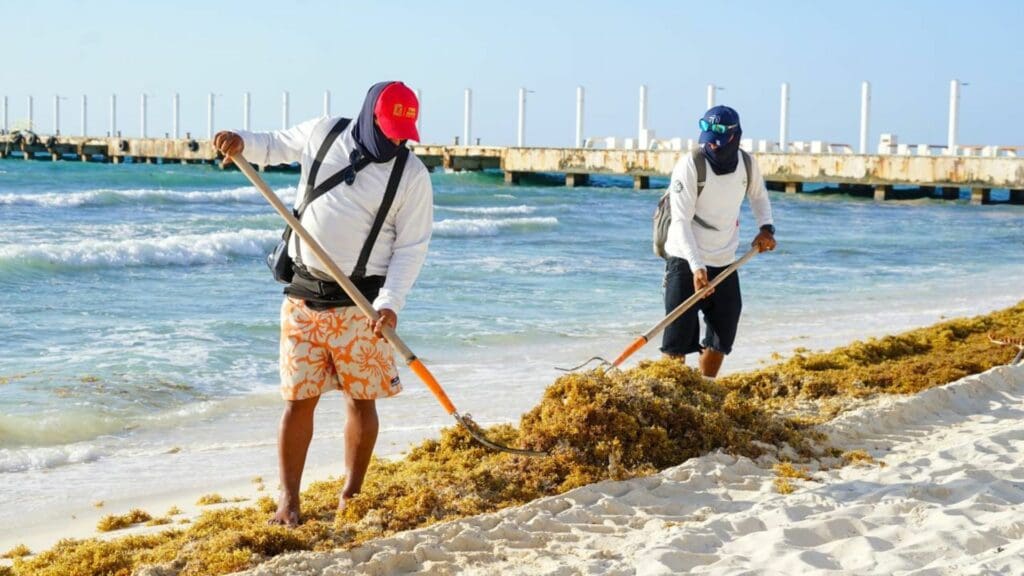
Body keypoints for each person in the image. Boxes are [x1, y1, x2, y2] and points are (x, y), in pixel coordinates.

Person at [212, 81, 433, 526]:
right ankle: (288, 502)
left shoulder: (411, 176)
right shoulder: (324, 132)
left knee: (361, 400)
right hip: (302, 296)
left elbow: (411, 247)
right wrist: (242, 143)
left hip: (362, 308)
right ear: (370, 114)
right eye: (389, 129)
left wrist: (390, 303)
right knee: (298, 401)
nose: (395, 140)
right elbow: (273, 145)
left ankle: (350, 497)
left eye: (403, 133)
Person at [661, 105, 776, 377]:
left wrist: (766, 228)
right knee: (677, 337)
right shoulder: (690, 164)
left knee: (722, 335)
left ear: (736, 137)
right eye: (708, 138)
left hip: (724, 260)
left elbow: (759, 197)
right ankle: (669, 395)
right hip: (685, 257)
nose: (711, 144)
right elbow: (680, 221)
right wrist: (697, 266)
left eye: (718, 140)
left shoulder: (747, 164)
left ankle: (706, 387)